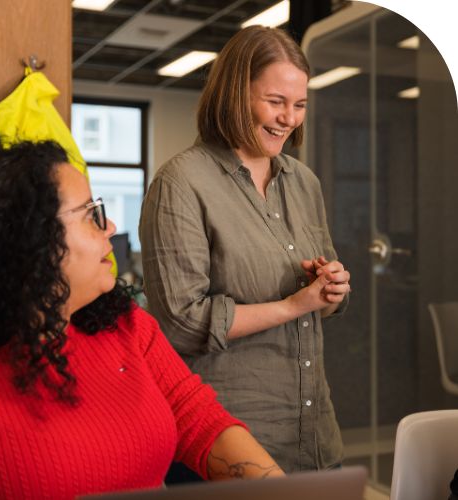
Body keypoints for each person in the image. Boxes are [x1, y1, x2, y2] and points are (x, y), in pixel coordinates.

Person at [0, 141, 284, 499]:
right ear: (30, 237)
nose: (110, 225)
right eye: (90, 213)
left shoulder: (126, 326)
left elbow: (198, 420)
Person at [139, 26, 351, 474]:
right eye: (275, 102)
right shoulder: (181, 182)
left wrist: (329, 289)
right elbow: (180, 323)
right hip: (231, 443)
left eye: (299, 106)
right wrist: (295, 304)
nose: (288, 119)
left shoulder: (302, 182)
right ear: (235, 93)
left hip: (314, 436)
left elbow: (322, 308)